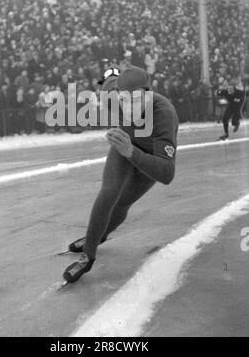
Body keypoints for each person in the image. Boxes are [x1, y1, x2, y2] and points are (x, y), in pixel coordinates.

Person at [63, 65, 179, 283]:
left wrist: (131, 152)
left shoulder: (164, 113)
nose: (129, 106)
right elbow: (108, 80)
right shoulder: (111, 95)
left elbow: (167, 174)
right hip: (124, 145)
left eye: (135, 100)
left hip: (146, 154)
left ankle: (101, 234)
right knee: (108, 192)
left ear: (148, 93)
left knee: (123, 202)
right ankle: (88, 254)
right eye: (124, 99)